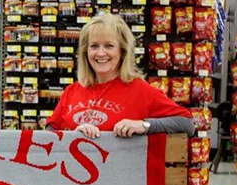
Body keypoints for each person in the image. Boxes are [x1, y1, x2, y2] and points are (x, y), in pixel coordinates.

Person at [46, 14, 195, 139]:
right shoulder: (72, 92)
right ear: (85, 52)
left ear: (122, 51)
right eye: (94, 46)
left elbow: (187, 124)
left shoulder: (140, 90)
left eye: (109, 46)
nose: (101, 53)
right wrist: (73, 136)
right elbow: (49, 132)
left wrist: (145, 125)